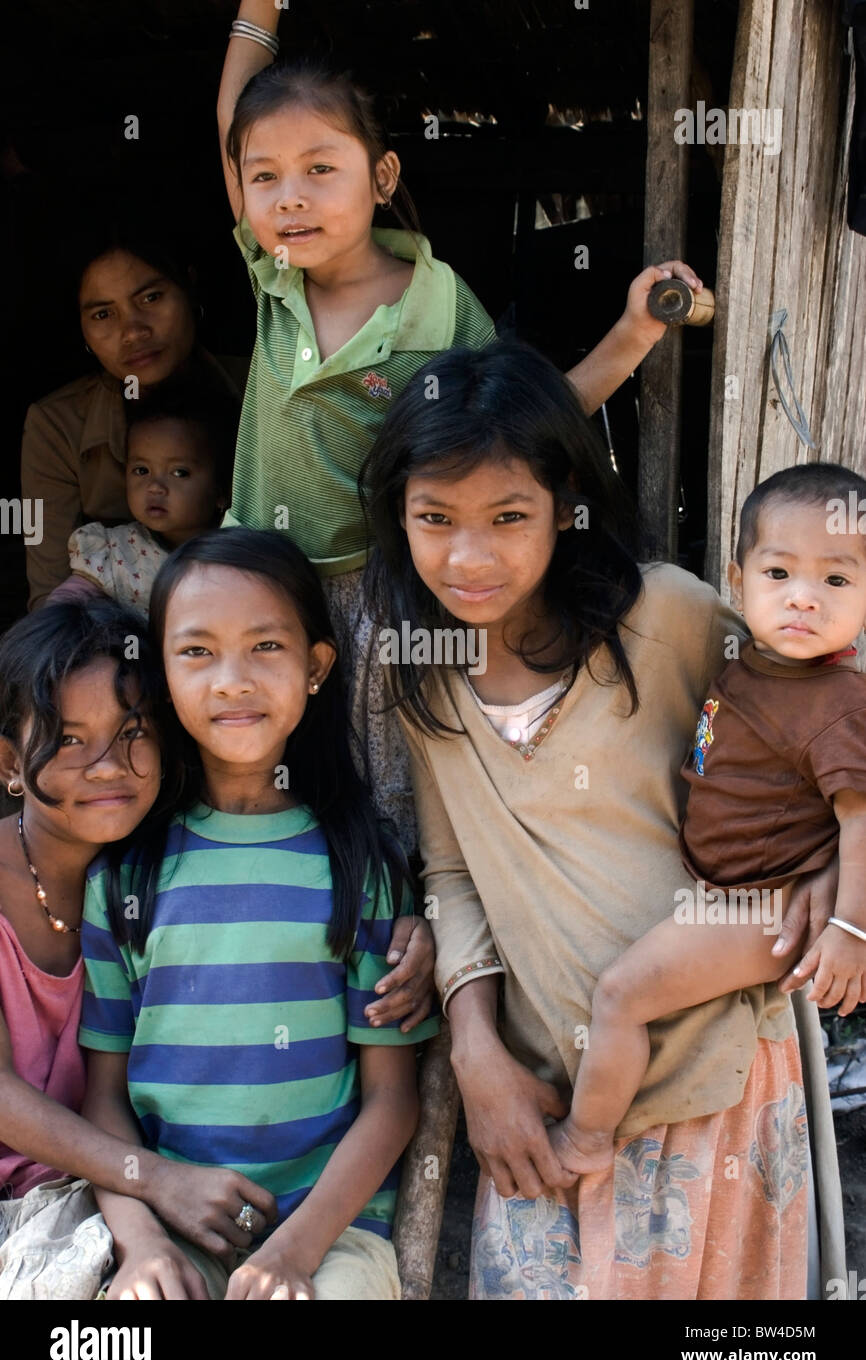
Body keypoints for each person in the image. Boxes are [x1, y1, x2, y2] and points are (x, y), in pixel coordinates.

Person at [361, 340, 844, 1300]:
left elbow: (819, 719)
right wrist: (475, 1046)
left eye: (509, 516)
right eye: (434, 518)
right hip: (545, 1097)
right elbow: (453, 875)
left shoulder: (668, 620)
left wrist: (836, 876)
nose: (470, 555)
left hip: (722, 1080)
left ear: (566, 503)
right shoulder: (419, 671)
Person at [216, 2, 702, 848]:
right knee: (252, 759)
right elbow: (232, 120)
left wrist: (634, 333)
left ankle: (403, 919)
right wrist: (258, 15)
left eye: (320, 169)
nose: (289, 198)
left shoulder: (438, 307)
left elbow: (529, 417)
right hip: (258, 573)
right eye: (265, 178)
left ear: (383, 175)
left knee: (379, 782)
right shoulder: (273, 273)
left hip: (376, 590)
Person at [79, 530, 439, 1301]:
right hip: (169, 1223)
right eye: (197, 652)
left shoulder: (359, 867)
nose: (231, 680)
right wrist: (141, 1245)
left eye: (265, 646)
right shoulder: (124, 876)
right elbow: (102, 1096)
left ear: (315, 668)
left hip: (329, 1234)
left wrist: (294, 1255)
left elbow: (391, 1098)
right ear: (162, 675)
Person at [548, 463, 866, 1178]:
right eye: (780, 573)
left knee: (622, 995)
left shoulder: (838, 703)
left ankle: (585, 1138)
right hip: (727, 888)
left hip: (767, 906)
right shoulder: (753, 662)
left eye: (837, 582)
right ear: (738, 576)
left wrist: (851, 930)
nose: (804, 600)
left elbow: (861, 824)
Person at [0, 601, 277, 1299]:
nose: (107, 767)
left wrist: (413, 927)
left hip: (108, 1189)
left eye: (133, 733)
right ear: (9, 763)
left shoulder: (169, 873)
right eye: (67, 741)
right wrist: (154, 1181)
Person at [20, 239, 241, 609]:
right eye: (103, 314)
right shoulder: (54, 426)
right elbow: (50, 604)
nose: (133, 332)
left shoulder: (263, 386)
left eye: (151, 298)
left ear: (188, 288)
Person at [48, 387, 237, 616]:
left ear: (222, 491)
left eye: (179, 473)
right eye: (141, 470)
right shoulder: (117, 553)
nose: (155, 486)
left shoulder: (239, 554)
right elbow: (64, 608)